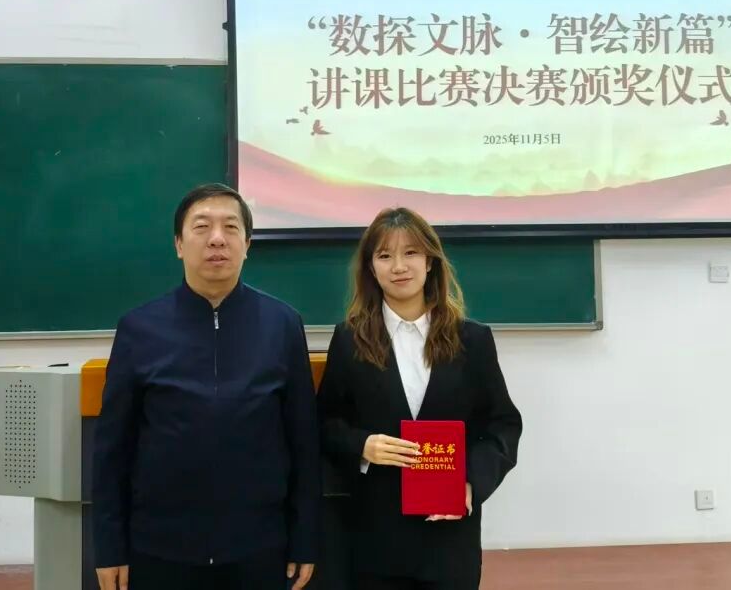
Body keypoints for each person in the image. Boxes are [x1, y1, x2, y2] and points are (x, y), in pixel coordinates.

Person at [92, 183, 320, 590]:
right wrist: (110, 547)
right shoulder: (139, 328)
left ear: (247, 245)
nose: (217, 238)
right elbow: (112, 450)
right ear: (179, 244)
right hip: (160, 547)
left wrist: (305, 538)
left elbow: (303, 442)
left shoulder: (283, 324)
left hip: (259, 546)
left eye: (230, 227)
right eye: (202, 227)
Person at [317, 207, 522, 590]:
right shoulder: (348, 339)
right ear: (371, 268)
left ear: (430, 261)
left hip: (449, 541)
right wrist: (362, 445)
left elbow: (502, 426)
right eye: (385, 255)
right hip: (375, 538)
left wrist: (470, 483)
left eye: (410, 252)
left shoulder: (473, 340)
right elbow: (325, 423)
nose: (399, 266)